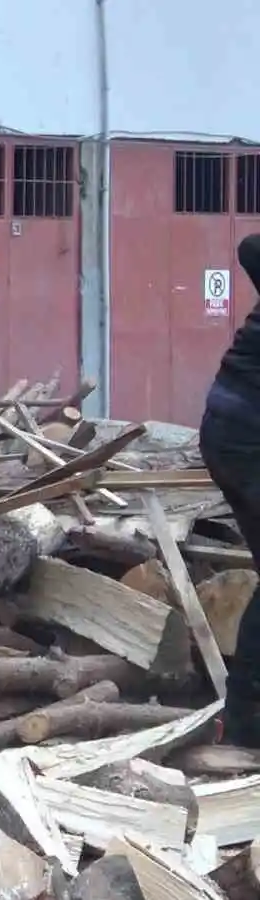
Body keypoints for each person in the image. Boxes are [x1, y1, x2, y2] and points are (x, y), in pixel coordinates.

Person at [202, 232, 260, 747]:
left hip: (227, 427)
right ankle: (245, 726)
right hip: (247, 436)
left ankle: (244, 723)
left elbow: (248, 247)